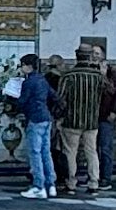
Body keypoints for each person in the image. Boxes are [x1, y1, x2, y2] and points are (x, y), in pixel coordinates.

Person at [55, 49, 107, 196]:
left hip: (72, 121)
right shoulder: (97, 76)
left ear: (76, 57)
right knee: (91, 151)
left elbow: (60, 99)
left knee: (70, 152)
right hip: (91, 121)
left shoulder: (69, 76)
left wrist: (59, 117)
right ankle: (93, 183)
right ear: (89, 57)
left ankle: (71, 183)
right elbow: (108, 90)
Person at [8, 54, 59, 199]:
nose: (21, 67)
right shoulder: (43, 80)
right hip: (46, 118)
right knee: (45, 152)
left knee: (35, 153)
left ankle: (38, 186)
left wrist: (12, 99)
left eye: (22, 65)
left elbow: (22, 101)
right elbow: (54, 96)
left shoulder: (28, 82)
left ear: (28, 66)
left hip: (35, 119)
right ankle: (51, 185)